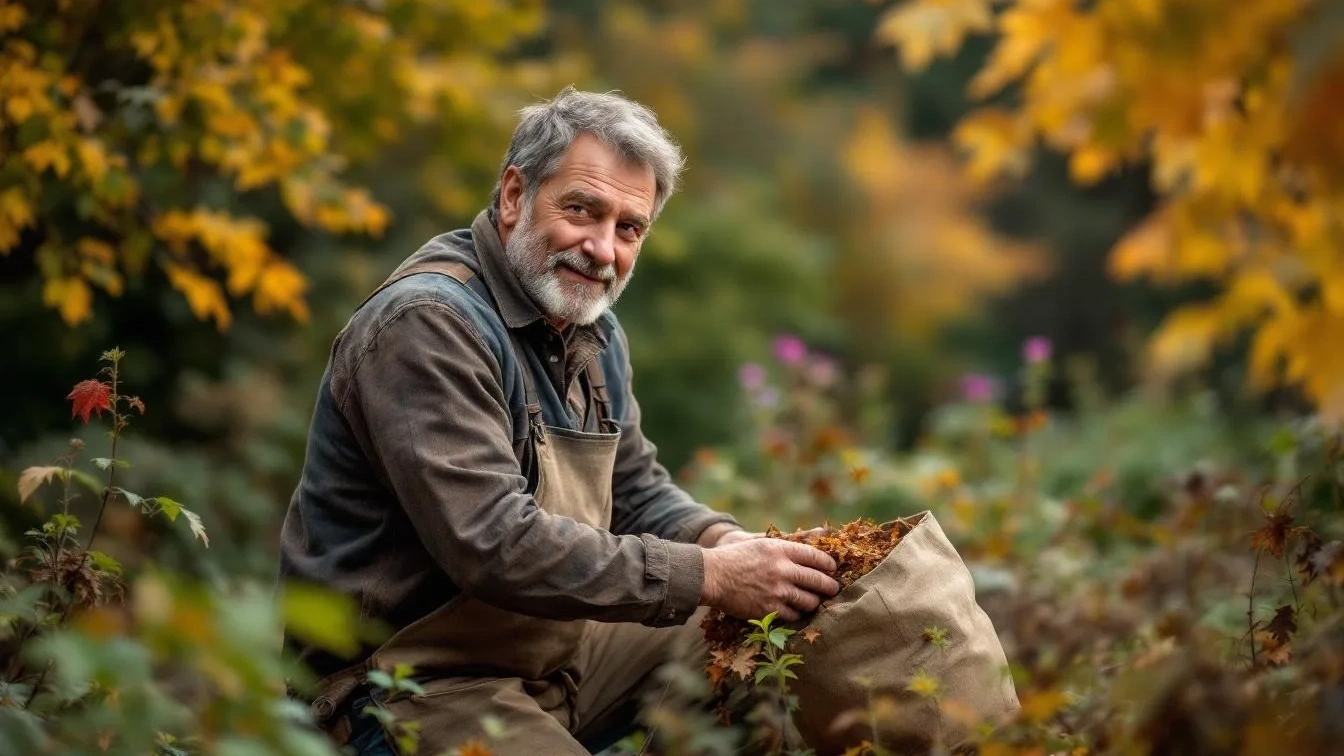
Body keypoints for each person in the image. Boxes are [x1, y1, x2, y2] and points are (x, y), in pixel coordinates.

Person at [278, 87, 840, 756]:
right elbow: (491, 542)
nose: (602, 249)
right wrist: (711, 576)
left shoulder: (590, 329)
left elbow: (634, 488)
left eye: (628, 228)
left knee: (776, 642)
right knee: (721, 605)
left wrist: (733, 544)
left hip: (549, 656)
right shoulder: (429, 324)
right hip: (405, 683)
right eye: (582, 210)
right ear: (515, 196)